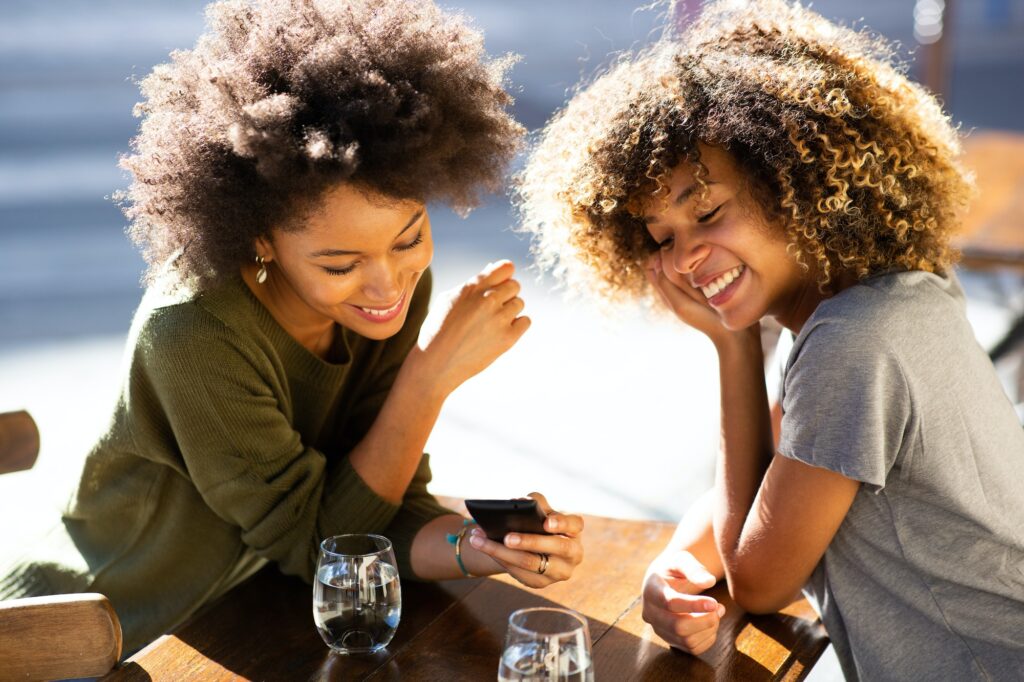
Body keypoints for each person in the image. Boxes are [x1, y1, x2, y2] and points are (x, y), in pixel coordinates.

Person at [0, 0, 583, 654]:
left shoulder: (378, 300)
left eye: (410, 238)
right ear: (261, 242)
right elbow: (321, 544)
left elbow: (376, 505)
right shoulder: (193, 334)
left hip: (258, 613)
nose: (388, 285)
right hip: (101, 638)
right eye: (340, 264)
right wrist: (427, 379)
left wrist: (478, 549)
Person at [518, 0, 1024, 678]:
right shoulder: (875, 296)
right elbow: (771, 481)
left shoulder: (856, 341)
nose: (688, 257)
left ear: (796, 186)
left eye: (709, 213)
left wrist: (732, 349)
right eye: (664, 238)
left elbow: (758, 582)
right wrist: (677, 563)